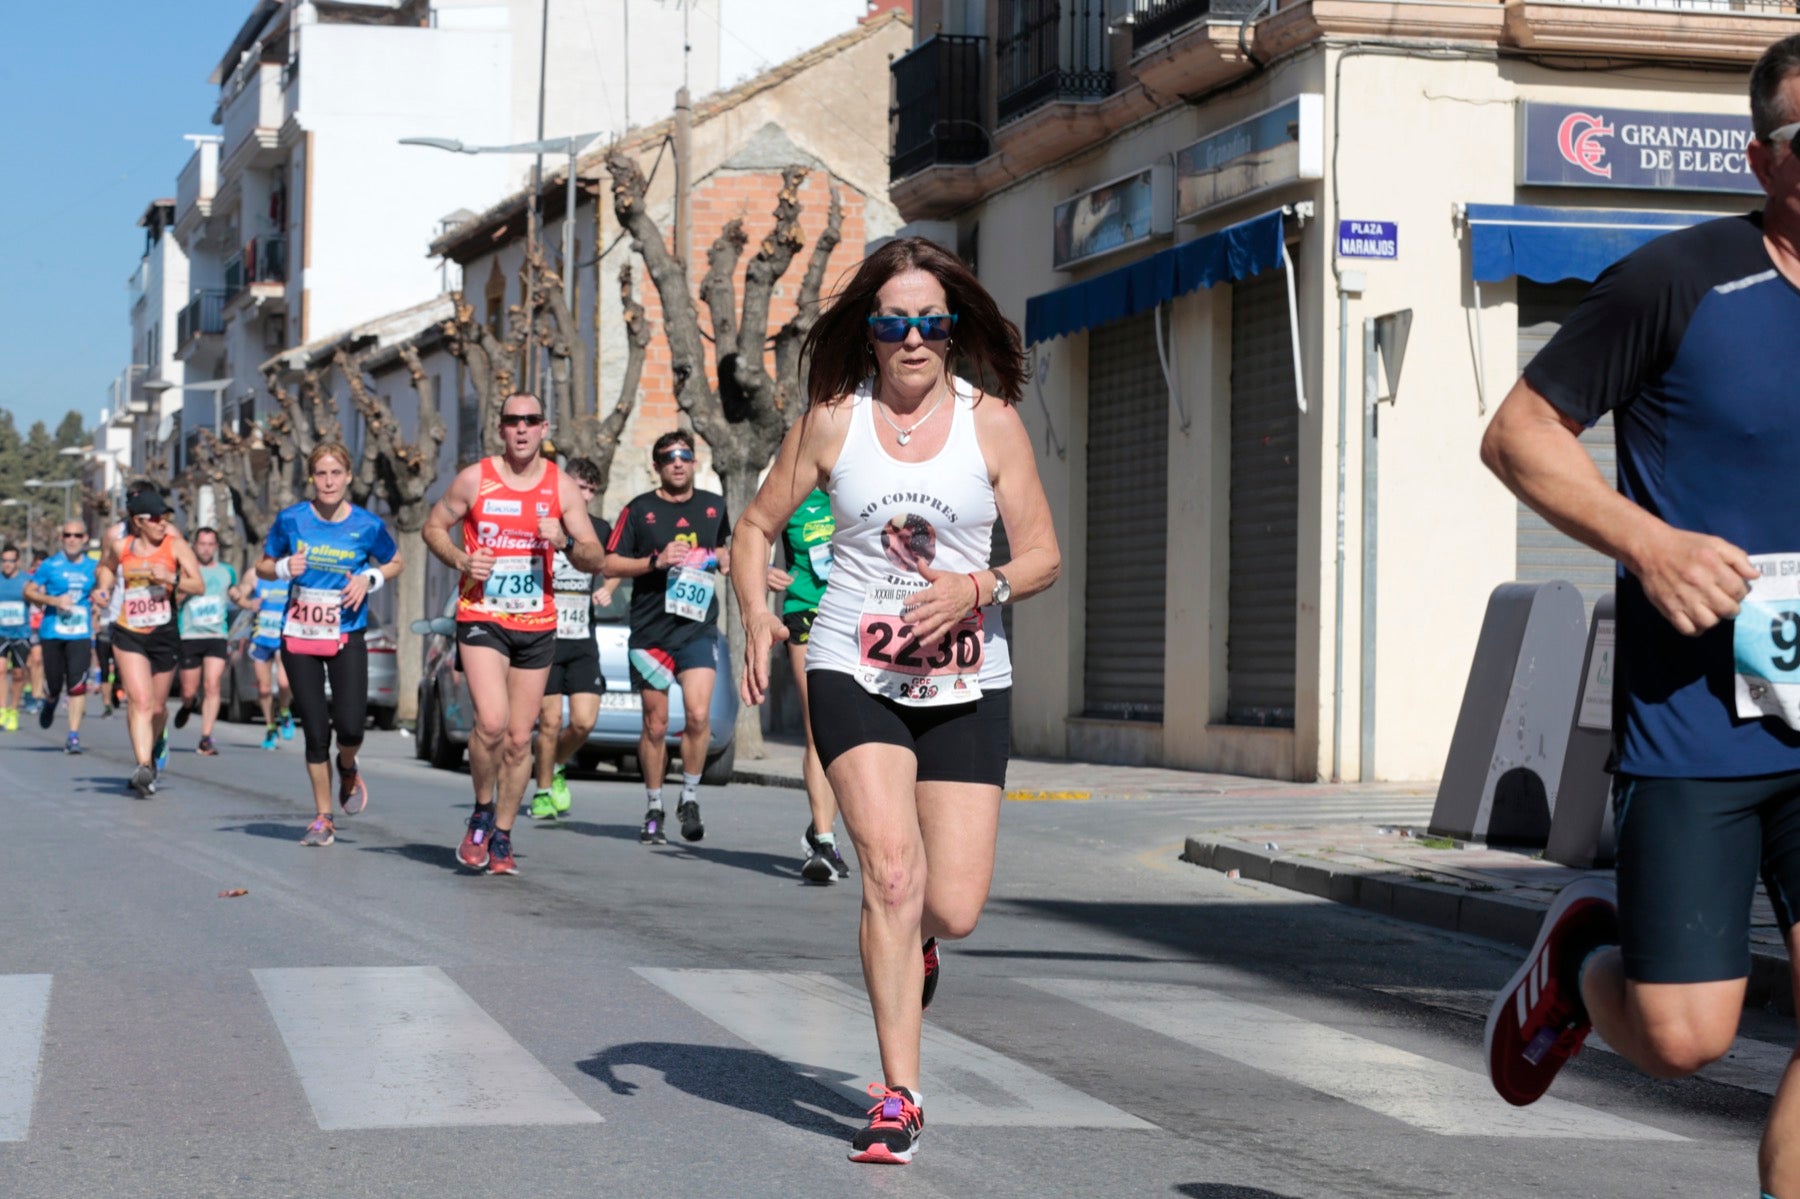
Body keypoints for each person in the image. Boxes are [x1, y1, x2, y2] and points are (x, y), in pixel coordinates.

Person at [1478, 36, 1800, 1198]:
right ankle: (1581, 964)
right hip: (1695, 715)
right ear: (1766, 157)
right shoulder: (1681, 280)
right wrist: (1647, 541)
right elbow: (1518, 433)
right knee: (1683, 1035)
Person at [731, 237, 1059, 1164]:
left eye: (930, 322)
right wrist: (757, 611)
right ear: (868, 334)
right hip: (854, 662)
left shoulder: (989, 423)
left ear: (951, 332)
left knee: (950, 907)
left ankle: (919, 948)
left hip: (964, 676)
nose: (912, 338)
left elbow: (1042, 553)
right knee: (889, 871)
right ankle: (900, 1093)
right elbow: (755, 528)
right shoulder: (833, 421)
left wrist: (980, 587)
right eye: (893, 323)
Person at [424, 393, 605, 875]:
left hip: (536, 623)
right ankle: (481, 811)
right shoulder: (475, 479)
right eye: (512, 421)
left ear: (544, 428)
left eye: (530, 421)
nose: (521, 429)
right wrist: (462, 559)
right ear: (500, 428)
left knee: (520, 739)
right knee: (490, 723)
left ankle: (502, 834)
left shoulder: (560, 487)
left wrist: (564, 541)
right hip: (482, 615)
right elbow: (433, 527)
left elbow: (594, 554)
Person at [258, 444, 403, 847]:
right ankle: (323, 817)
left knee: (351, 727)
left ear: (348, 476)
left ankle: (348, 764)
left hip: (346, 634)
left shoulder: (367, 525)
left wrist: (368, 579)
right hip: (300, 635)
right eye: (321, 474)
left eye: (336, 473)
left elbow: (395, 562)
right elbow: (262, 565)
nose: (328, 481)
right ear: (311, 478)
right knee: (316, 731)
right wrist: (285, 567)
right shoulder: (292, 520)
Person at [603, 431, 733, 845]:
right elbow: (610, 561)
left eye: (684, 456)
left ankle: (689, 797)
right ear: (656, 466)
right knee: (655, 725)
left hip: (696, 627)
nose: (677, 463)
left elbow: (727, 550)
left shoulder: (714, 507)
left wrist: (729, 558)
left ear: (695, 463)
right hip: (650, 631)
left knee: (698, 716)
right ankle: (655, 804)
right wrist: (653, 561)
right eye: (668, 457)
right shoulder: (639, 510)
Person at [97, 491, 203, 795]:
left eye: (165, 517)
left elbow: (198, 584)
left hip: (163, 633)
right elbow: (105, 568)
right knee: (139, 701)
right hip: (128, 630)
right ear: (138, 522)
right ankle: (143, 765)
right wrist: (103, 590)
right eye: (155, 518)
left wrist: (170, 577)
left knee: (157, 708)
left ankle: (156, 742)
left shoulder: (176, 545)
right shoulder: (122, 546)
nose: (162, 523)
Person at [770, 487, 850, 883]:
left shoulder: (856, 486)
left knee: (846, 733)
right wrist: (761, 572)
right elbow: (752, 534)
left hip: (858, 616)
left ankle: (823, 824)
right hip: (806, 612)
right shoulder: (792, 495)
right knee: (817, 727)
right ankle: (824, 841)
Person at [529, 456, 612, 821]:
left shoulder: (598, 529)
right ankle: (544, 791)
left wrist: (609, 587)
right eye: (580, 487)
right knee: (548, 721)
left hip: (582, 636)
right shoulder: (544, 524)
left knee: (583, 721)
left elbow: (614, 563)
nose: (586, 496)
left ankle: (557, 763)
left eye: (592, 490)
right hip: (546, 635)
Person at [24, 521, 101, 754]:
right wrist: (55, 601)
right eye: (67, 535)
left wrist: (100, 600)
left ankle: (73, 735)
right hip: (52, 632)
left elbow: (104, 589)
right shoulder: (50, 565)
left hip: (80, 633)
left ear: (85, 538)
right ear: (62, 538)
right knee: (55, 683)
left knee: (77, 684)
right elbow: (28, 590)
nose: (72, 539)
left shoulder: (93, 567)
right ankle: (50, 700)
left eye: (77, 535)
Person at [172, 526, 239, 756]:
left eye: (211, 544)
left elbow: (233, 591)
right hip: (190, 634)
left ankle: (206, 737)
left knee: (212, 684)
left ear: (217, 547)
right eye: (202, 544)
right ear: (195, 546)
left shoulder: (227, 571)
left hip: (216, 635)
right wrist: (186, 590)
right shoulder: (186, 571)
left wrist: (240, 596)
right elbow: (176, 600)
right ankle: (188, 705)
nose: (206, 548)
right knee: (190, 689)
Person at [241, 577, 296, 750]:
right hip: (261, 638)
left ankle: (285, 711)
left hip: (282, 636)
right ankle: (271, 727)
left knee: (284, 682)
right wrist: (247, 602)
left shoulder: (290, 572)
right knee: (264, 689)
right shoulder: (255, 574)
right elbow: (239, 593)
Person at [0, 545, 30, 730]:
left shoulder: (26, 581)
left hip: (21, 633)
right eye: (4, 560)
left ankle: (13, 710)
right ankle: (2, 709)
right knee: (1, 670)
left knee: (18, 674)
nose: (7, 564)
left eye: (11, 561)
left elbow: (39, 596)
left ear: (17, 562)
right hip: (1, 632)